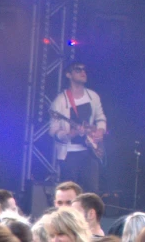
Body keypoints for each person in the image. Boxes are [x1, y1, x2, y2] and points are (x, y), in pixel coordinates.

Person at [49, 62, 107, 193]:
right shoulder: (60, 101)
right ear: (68, 75)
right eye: (78, 70)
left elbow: (101, 118)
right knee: (70, 193)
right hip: (70, 154)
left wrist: (100, 131)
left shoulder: (93, 96)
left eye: (84, 69)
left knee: (91, 192)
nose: (83, 72)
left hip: (90, 151)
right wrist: (70, 134)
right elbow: (53, 130)